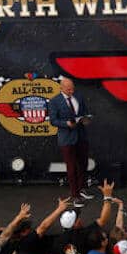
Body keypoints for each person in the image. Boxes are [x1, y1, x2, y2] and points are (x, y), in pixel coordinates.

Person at [48, 77, 92, 205]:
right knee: (71, 167)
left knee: (83, 164)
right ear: (61, 88)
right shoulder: (54, 101)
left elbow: (85, 112)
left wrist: (86, 119)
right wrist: (66, 123)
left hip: (81, 136)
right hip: (66, 139)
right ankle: (75, 195)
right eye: (68, 89)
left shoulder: (78, 96)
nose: (71, 91)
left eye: (72, 88)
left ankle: (82, 188)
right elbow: (53, 121)